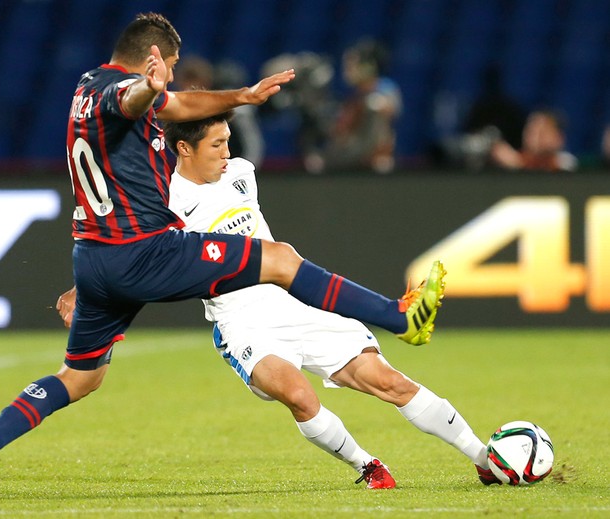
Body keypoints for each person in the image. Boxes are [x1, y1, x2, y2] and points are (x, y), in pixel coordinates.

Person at [0, 12, 445, 501]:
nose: (172, 79)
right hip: (145, 251)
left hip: (94, 259)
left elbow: (169, 107)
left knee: (80, 377)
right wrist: (148, 89)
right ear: (153, 57)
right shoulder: (123, 92)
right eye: (171, 68)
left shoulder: (84, 89)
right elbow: (134, 101)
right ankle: (400, 317)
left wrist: (241, 96)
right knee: (281, 259)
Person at [162, 111, 497, 488]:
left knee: (388, 381)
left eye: (228, 141)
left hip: (294, 303)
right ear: (184, 148)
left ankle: (484, 458)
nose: (227, 152)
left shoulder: (241, 173)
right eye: (217, 144)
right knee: (298, 395)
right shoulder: (168, 206)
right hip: (242, 322)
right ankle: (366, 465)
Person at [308, 38, 402, 174]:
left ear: (369, 66)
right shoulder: (353, 96)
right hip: (350, 156)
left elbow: (388, 112)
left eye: (352, 65)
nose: (347, 70)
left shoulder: (385, 89)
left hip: (375, 159)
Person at [490, 109, 578, 172]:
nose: (535, 138)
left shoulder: (565, 162)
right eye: (531, 131)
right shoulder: (520, 157)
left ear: (558, 137)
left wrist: (518, 164)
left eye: (542, 132)